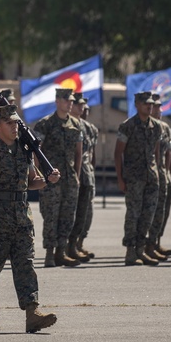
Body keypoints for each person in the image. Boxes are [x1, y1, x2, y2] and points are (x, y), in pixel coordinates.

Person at [0, 104, 59, 333]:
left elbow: (32, 181)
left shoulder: (24, 150)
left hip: (22, 216)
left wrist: (47, 180)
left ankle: (32, 312)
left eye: (15, 123)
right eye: (9, 123)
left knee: (26, 265)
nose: (14, 127)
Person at [34, 87, 83, 267]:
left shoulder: (76, 124)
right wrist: (37, 176)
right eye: (66, 100)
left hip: (69, 179)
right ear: (57, 102)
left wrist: (77, 176)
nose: (70, 103)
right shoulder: (45, 124)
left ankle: (61, 252)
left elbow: (78, 153)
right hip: (51, 180)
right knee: (50, 216)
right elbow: (36, 152)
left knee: (67, 216)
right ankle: (49, 253)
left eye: (71, 101)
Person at [115, 91, 162, 266]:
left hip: (151, 177)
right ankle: (130, 251)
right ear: (137, 105)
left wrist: (157, 172)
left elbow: (156, 153)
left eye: (151, 104)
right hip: (134, 179)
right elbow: (118, 153)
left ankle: (141, 250)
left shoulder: (156, 127)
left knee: (147, 215)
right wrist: (120, 178)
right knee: (133, 215)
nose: (149, 106)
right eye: (145, 104)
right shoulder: (127, 126)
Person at [68, 93, 98, 262]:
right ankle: (66, 247)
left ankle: (77, 244)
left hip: (87, 175)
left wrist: (91, 171)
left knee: (85, 213)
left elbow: (92, 154)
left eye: (85, 107)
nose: (83, 110)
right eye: (80, 106)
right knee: (69, 213)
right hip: (70, 175)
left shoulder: (90, 128)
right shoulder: (67, 125)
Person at [146, 93, 171, 261]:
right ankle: (147, 245)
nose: (159, 110)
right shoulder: (147, 127)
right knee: (151, 211)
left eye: (159, 107)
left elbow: (169, 153)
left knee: (163, 211)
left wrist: (169, 174)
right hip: (149, 175)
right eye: (156, 107)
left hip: (164, 175)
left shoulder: (165, 128)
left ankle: (156, 241)